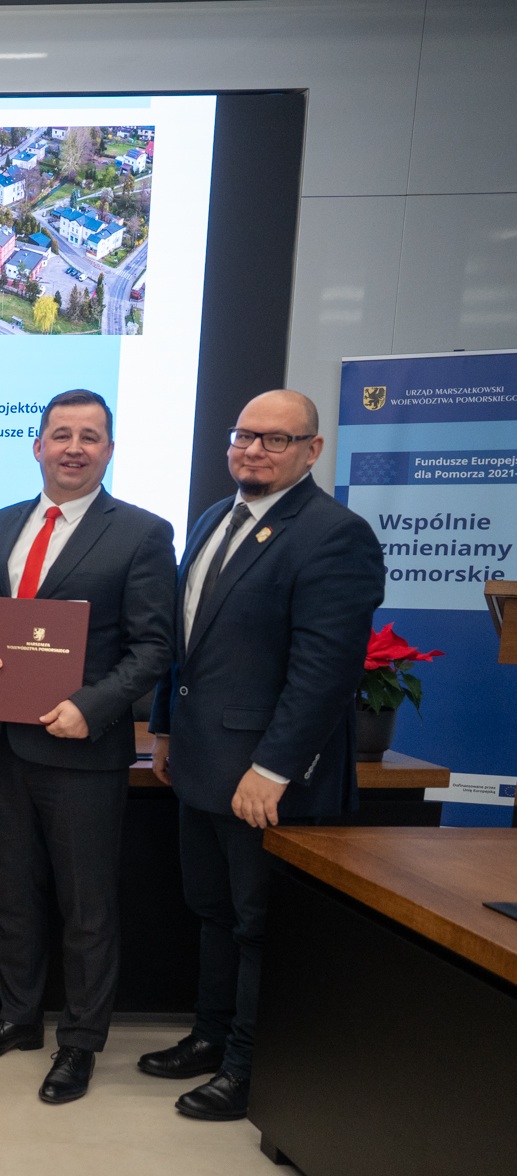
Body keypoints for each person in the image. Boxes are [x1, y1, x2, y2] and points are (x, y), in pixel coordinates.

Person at [142, 389, 384, 1121]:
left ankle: (249, 1068)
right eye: (245, 435)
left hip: (264, 780)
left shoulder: (335, 535)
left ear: (313, 450)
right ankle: (210, 1038)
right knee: (212, 911)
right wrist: (164, 728)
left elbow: (326, 671)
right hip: (202, 762)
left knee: (259, 924)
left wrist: (274, 769)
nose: (254, 450)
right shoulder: (219, 518)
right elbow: (189, 646)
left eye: (276, 440)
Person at [0, 390, 177, 1104]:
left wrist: (93, 705)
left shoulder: (140, 532)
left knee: (86, 906)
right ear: (37, 444)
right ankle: (19, 1018)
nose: (74, 447)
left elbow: (154, 646)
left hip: (81, 749)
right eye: (61, 434)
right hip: (2, 742)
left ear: (109, 449)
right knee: (12, 892)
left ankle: (78, 1042)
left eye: (90, 436)